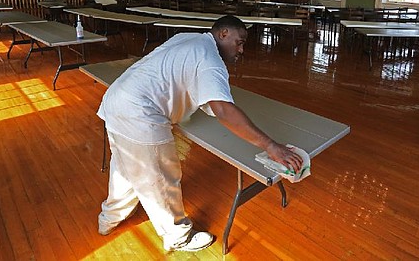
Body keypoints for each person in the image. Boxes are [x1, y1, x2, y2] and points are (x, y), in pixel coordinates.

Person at [97, 15, 303, 252]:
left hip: (116, 99)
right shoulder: (210, 59)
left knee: (125, 168)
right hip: (140, 113)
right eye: (239, 41)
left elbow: (178, 74)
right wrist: (270, 146)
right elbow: (224, 111)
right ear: (223, 34)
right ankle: (178, 236)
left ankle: (108, 219)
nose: (242, 49)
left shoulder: (190, 38)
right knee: (161, 178)